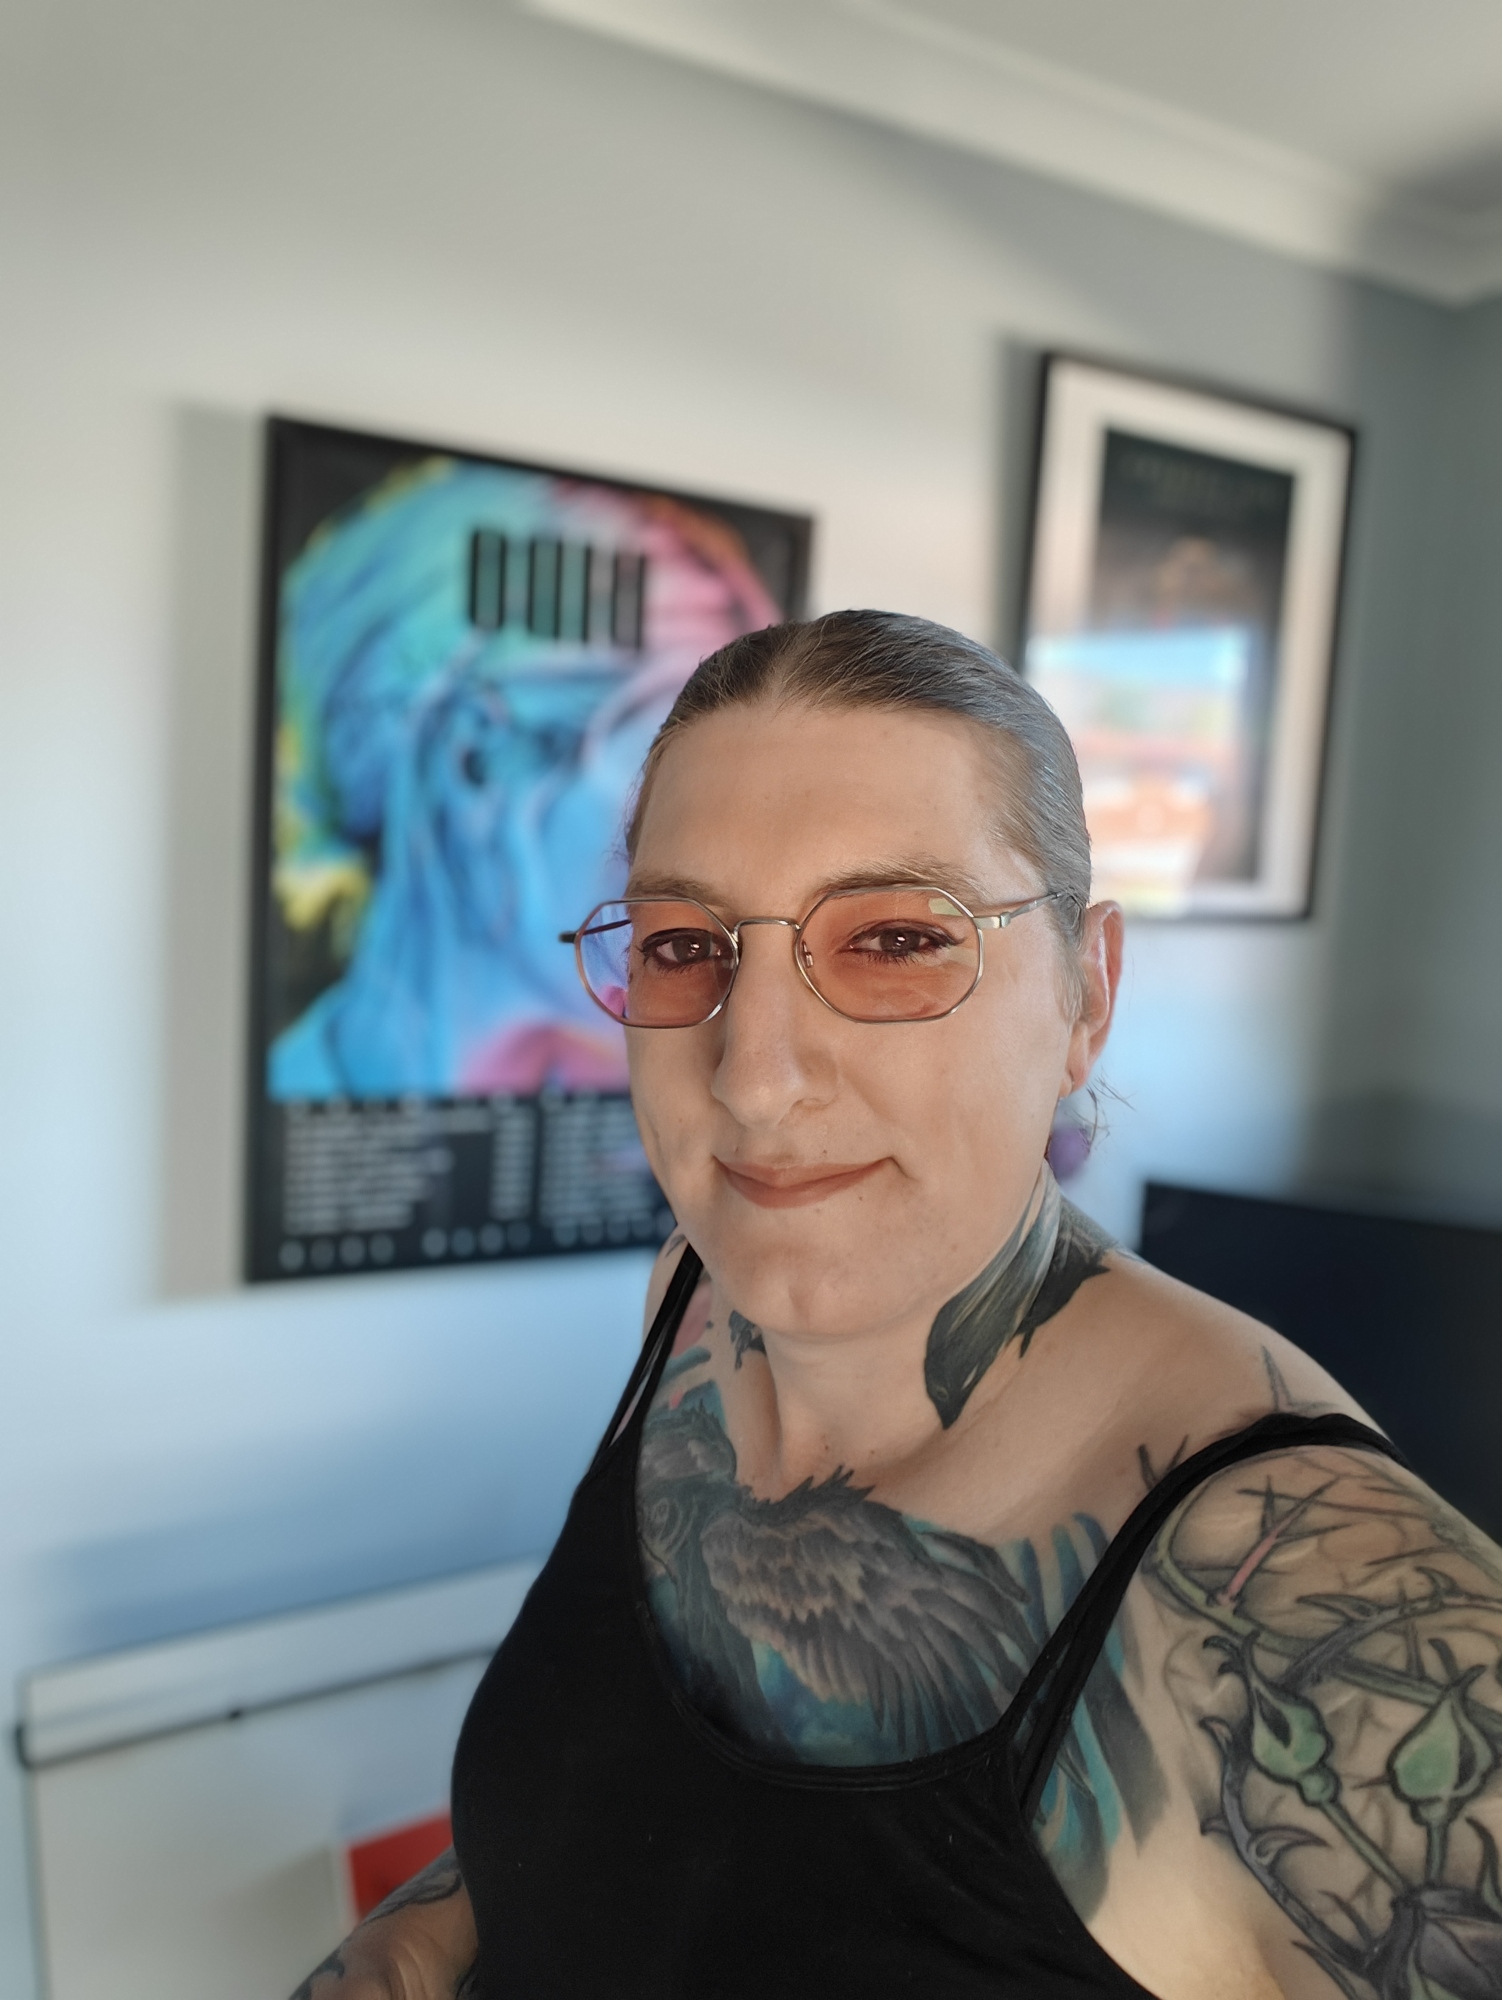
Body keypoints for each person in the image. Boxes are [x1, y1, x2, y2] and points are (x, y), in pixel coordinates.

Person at [290, 611, 1502, 2000]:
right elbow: (646, 1821)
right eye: (683, 945)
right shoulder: (691, 1310)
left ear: (1085, 995)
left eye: (894, 938)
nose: (753, 1078)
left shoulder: (1297, 1600)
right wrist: (433, 1928)